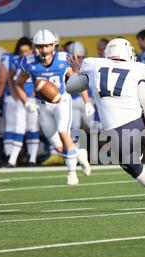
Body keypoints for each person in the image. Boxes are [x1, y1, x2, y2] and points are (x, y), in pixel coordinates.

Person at [66, 38, 145, 209]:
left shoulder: (94, 66)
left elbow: (71, 88)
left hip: (117, 136)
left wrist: (76, 71)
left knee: (136, 169)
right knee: (136, 163)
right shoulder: (138, 69)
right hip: (139, 126)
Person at [15, 29, 91, 185]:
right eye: (40, 46)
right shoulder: (29, 62)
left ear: (54, 46)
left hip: (62, 102)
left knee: (64, 133)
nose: (44, 50)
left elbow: (77, 81)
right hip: (43, 106)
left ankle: (71, 173)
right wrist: (27, 102)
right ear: (35, 47)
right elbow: (18, 84)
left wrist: (87, 101)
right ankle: (79, 154)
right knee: (59, 147)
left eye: (47, 46)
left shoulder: (63, 59)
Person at [7, 37, 41, 167]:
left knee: (33, 128)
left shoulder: (37, 62)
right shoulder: (17, 62)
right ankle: (12, 160)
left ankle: (32, 159)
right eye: (21, 51)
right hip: (22, 101)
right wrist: (14, 94)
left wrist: (38, 93)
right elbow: (10, 78)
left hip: (33, 100)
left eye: (26, 51)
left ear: (31, 51)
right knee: (19, 128)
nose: (24, 54)